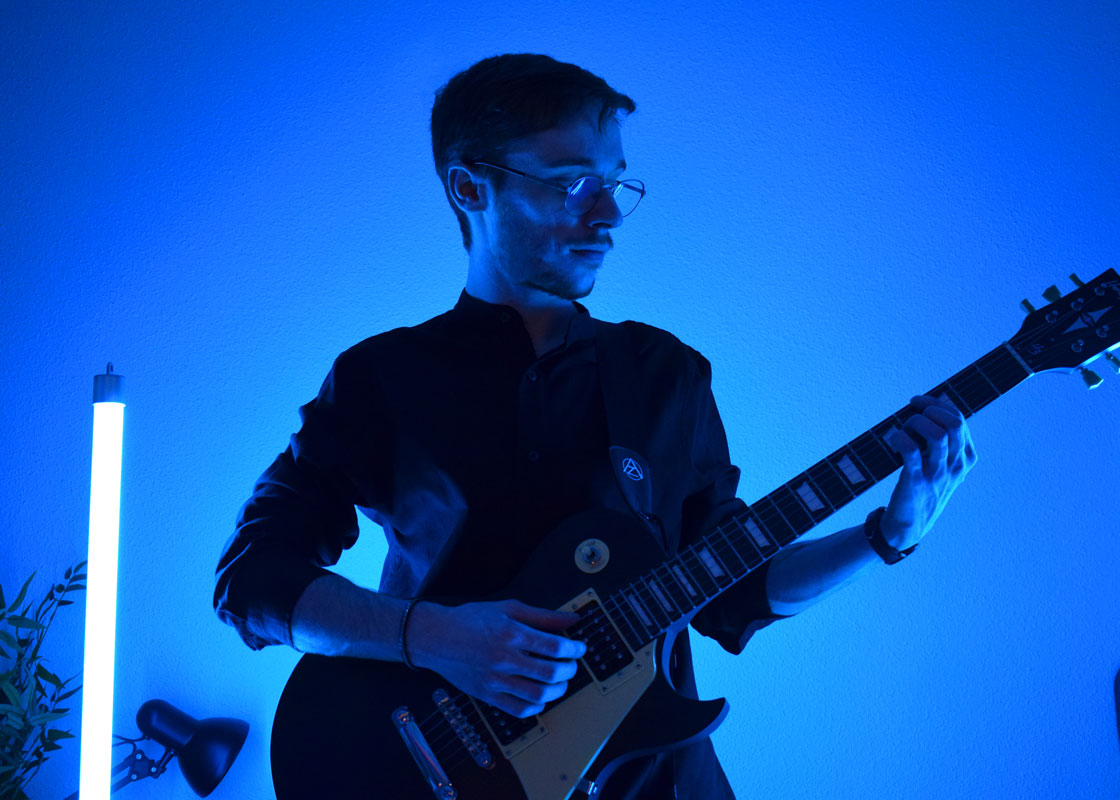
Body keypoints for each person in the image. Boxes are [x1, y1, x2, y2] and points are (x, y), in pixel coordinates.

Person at [214, 53, 976, 799]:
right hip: (430, 767)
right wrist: (437, 638)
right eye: (572, 182)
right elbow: (252, 577)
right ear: (469, 186)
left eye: (614, 183)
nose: (606, 213)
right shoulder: (382, 376)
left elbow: (733, 592)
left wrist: (889, 535)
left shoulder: (665, 373)